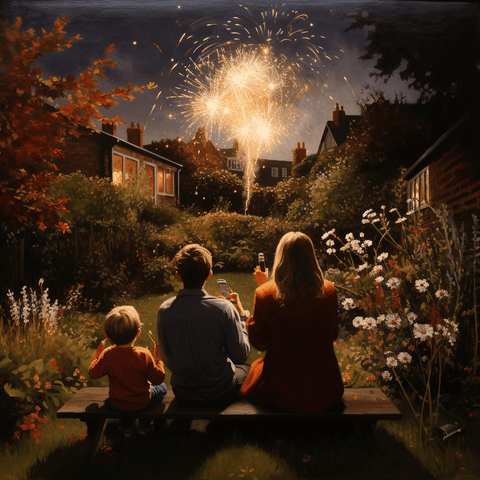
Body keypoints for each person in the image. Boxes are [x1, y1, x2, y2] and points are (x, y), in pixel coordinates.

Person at [238, 232, 344, 413]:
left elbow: (260, 342)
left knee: (254, 370)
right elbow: (332, 333)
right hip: (324, 385)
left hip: (283, 387)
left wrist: (260, 292)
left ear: (281, 257)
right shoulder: (329, 290)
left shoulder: (265, 293)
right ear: (311, 257)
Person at [157, 244, 250, 406]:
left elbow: (168, 358)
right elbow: (240, 355)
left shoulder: (165, 310)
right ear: (209, 274)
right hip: (220, 391)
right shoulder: (224, 308)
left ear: (179, 276)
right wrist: (242, 317)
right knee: (250, 369)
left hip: (183, 391)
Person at [88, 305, 167, 434]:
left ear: (107, 335)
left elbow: (93, 373)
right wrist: (159, 361)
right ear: (138, 333)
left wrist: (97, 355)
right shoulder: (144, 354)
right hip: (143, 402)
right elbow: (158, 379)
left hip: (117, 403)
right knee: (162, 388)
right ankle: (145, 424)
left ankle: (126, 426)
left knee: (126, 395)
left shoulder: (107, 354)